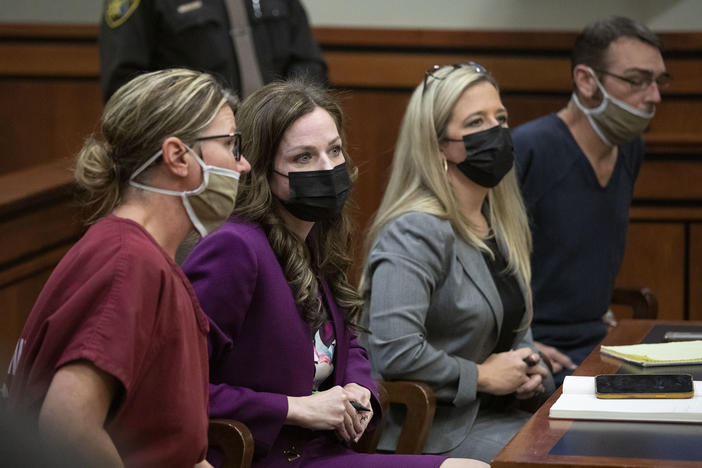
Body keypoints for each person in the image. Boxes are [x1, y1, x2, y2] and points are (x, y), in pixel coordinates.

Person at [182, 80, 485, 468]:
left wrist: (359, 388)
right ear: (261, 169)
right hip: (267, 459)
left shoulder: (314, 235)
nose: (327, 168)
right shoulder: (235, 248)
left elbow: (344, 342)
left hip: (324, 453)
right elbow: (181, 387)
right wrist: (293, 408)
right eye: (304, 157)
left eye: (335, 150)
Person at [2, 68, 251, 468]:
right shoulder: (128, 264)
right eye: (230, 145)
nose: (244, 166)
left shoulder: (133, 253)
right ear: (177, 156)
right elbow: (68, 426)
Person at [360, 63, 554, 464]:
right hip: (436, 429)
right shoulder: (414, 230)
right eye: (476, 121)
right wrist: (483, 377)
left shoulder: (498, 223)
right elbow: (395, 353)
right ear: (437, 146)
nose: (497, 131)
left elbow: (518, 334)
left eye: (500, 118)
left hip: (504, 415)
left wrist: (531, 374)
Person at [511, 16, 669, 386]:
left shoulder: (631, 147)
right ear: (586, 81)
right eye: (637, 80)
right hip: (538, 348)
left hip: (599, 339)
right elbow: (489, 264)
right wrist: (520, 344)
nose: (654, 96)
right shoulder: (529, 147)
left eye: (658, 81)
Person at [99, 0, 328, 101]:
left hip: (274, 143)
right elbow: (125, 84)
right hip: (191, 150)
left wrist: (293, 119)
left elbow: (308, 64)